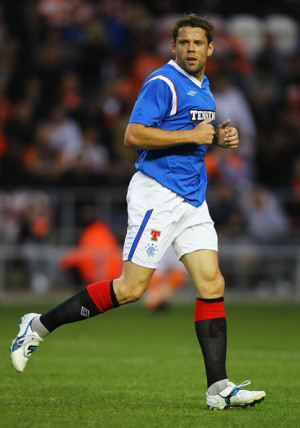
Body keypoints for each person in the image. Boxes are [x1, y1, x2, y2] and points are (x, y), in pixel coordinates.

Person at [10, 14, 266, 410]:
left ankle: (219, 388)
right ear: (174, 46)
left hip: (193, 199)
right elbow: (133, 134)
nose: (191, 49)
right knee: (131, 289)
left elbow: (196, 136)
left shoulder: (205, 87)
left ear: (211, 48)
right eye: (184, 43)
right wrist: (195, 135)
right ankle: (38, 326)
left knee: (212, 284)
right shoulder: (161, 82)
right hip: (157, 194)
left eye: (199, 43)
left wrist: (219, 137)